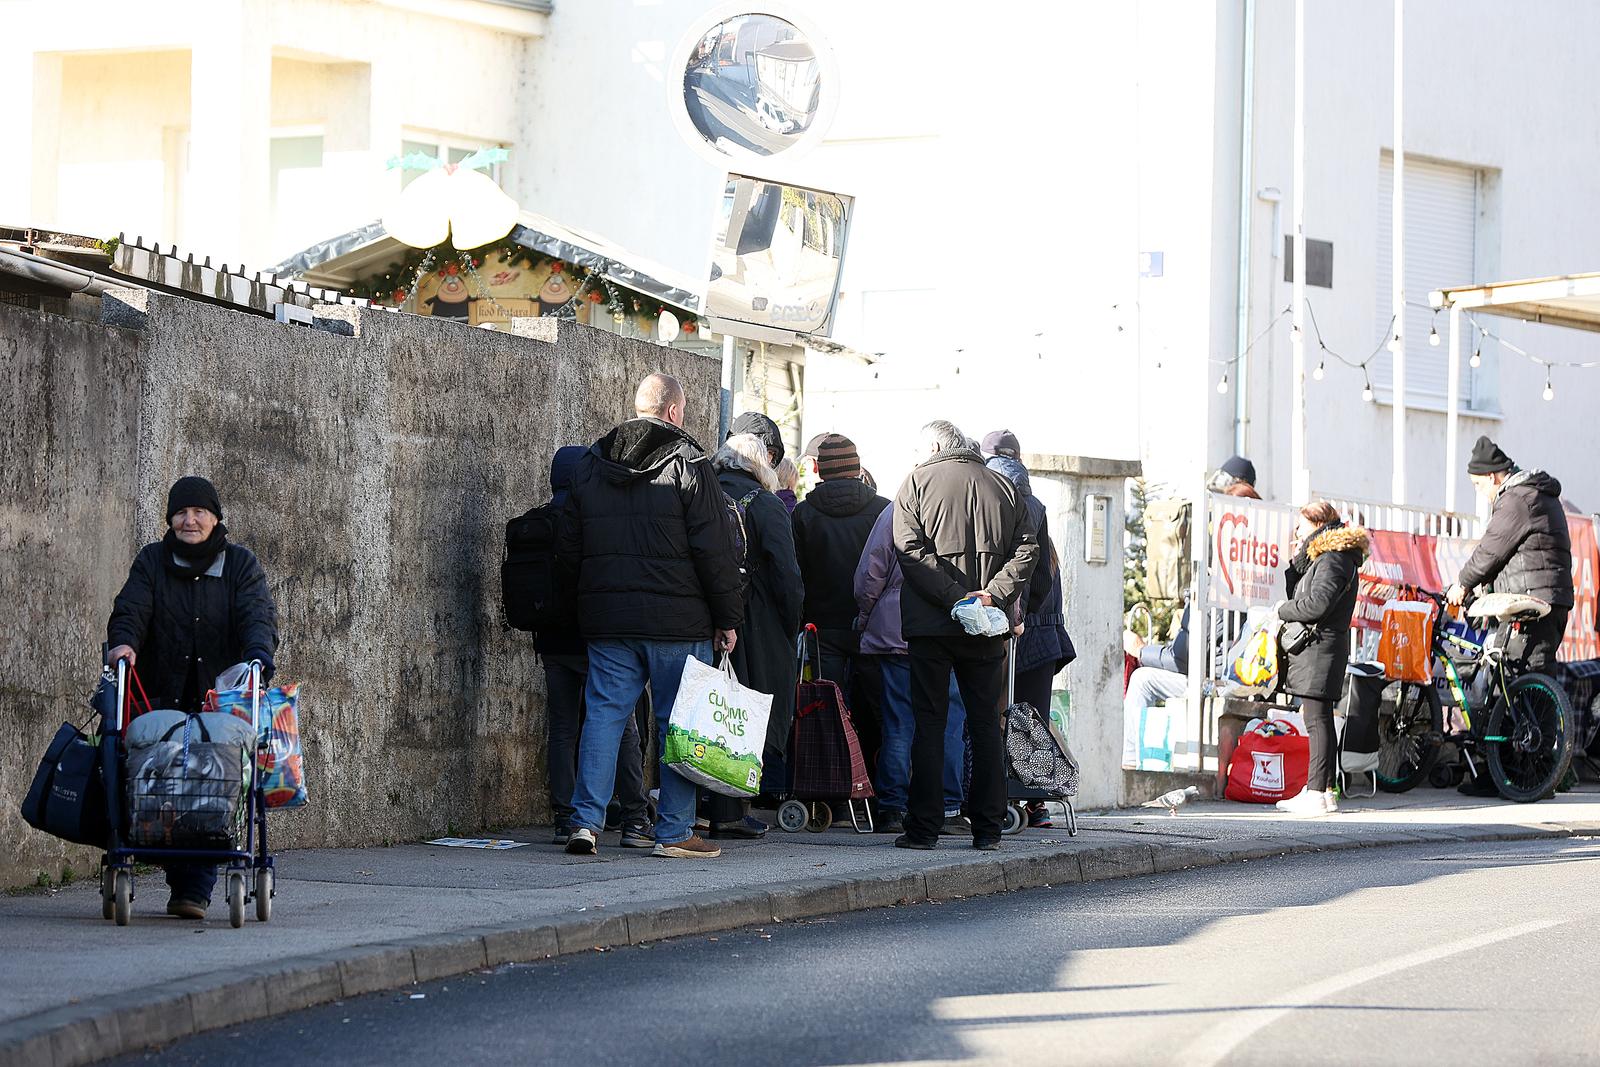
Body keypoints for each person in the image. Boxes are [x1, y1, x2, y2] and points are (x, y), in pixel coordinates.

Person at [558, 373, 744, 858]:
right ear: (675, 412)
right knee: (677, 725)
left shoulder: (593, 462)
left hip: (610, 621)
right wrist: (727, 617)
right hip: (678, 623)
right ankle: (676, 832)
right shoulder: (688, 461)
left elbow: (569, 544)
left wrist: (582, 607)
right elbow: (713, 548)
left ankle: (585, 824)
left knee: (602, 717)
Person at [106, 476, 279, 919]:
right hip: (159, 695)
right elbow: (131, 609)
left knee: (209, 785)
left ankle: (194, 887)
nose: (190, 520)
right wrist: (124, 644)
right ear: (170, 519)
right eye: (181, 512)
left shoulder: (239, 565)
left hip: (216, 705)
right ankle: (182, 879)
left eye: (199, 511)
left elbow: (256, 615)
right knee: (165, 785)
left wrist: (258, 655)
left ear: (216, 517)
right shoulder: (153, 561)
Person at [892, 420, 1040, 849]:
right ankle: (988, 829)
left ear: (936, 445)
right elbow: (1027, 549)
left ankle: (923, 828)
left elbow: (910, 552)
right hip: (986, 628)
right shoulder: (1004, 487)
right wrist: (990, 598)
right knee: (985, 725)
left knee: (930, 723)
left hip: (931, 625)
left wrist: (957, 598)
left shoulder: (916, 483)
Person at [536, 446, 652, 848]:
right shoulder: (593, 520)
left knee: (563, 729)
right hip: (595, 639)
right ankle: (636, 816)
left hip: (551, 642)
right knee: (620, 727)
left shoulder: (537, 523)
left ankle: (565, 816)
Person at [705, 433, 804, 838]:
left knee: (703, 710)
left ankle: (696, 807)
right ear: (760, 464)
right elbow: (787, 574)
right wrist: (790, 623)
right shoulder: (765, 503)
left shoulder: (701, 494)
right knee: (746, 713)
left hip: (701, 618)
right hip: (755, 622)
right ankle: (730, 810)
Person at [856, 502, 970, 835]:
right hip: (954, 625)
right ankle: (948, 806)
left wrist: (866, 618)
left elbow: (870, 572)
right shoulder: (968, 507)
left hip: (898, 625)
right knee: (949, 720)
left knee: (899, 721)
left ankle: (893, 806)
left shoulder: (900, 508)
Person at [982, 435, 1075, 827]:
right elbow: (1042, 583)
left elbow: (1028, 583)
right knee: (1031, 721)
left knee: (1001, 719)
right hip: (1045, 639)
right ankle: (1035, 802)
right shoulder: (1036, 509)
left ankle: (1008, 795)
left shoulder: (994, 501)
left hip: (1017, 635)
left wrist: (1016, 619)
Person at [791, 433, 890, 754]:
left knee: (828, 707)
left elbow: (797, 576)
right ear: (858, 467)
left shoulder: (803, 515)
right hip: (874, 628)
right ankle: (871, 785)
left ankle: (831, 788)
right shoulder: (884, 512)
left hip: (822, 628)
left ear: (819, 469)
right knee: (876, 711)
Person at [1272, 500, 1368, 816]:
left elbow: (1317, 605)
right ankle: (1324, 791)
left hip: (1320, 648)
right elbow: (1301, 589)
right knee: (1319, 718)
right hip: (1321, 648)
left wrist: (1281, 611)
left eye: (1300, 526)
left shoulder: (1333, 559)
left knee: (1316, 720)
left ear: (1316, 524)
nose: (1297, 533)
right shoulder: (1329, 558)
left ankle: (1315, 793)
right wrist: (1298, 559)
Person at [1448, 435, 1573, 672]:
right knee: (1530, 682)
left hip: (1532, 606)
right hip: (1548, 601)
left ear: (1491, 476)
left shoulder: (1517, 498)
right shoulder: (1534, 493)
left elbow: (1490, 550)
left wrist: (1462, 584)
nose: (1479, 492)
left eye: (1477, 485)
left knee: (1518, 678)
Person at [1122, 603, 1195, 768]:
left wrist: (1141, 650)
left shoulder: (1205, 596)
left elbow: (1179, 660)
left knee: (1142, 679)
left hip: (1208, 681)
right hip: (1218, 676)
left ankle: (1131, 761)